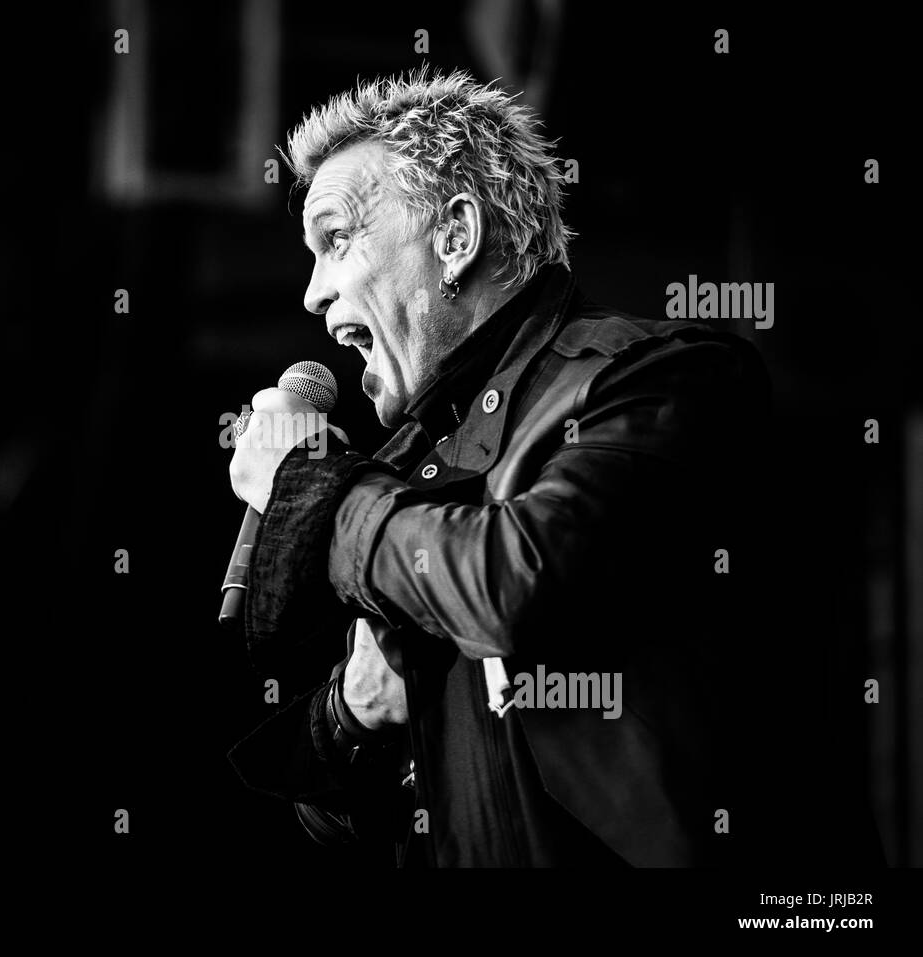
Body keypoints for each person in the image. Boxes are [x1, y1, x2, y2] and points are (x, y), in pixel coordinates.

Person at [225, 65, 773, 867]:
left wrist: (305, 492)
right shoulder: (408, 470)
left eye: (336, 240)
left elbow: (515, 583)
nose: (312, 293)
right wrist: (352, 711)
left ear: (455, 237)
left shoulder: (664, 377)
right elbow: (339, 818)